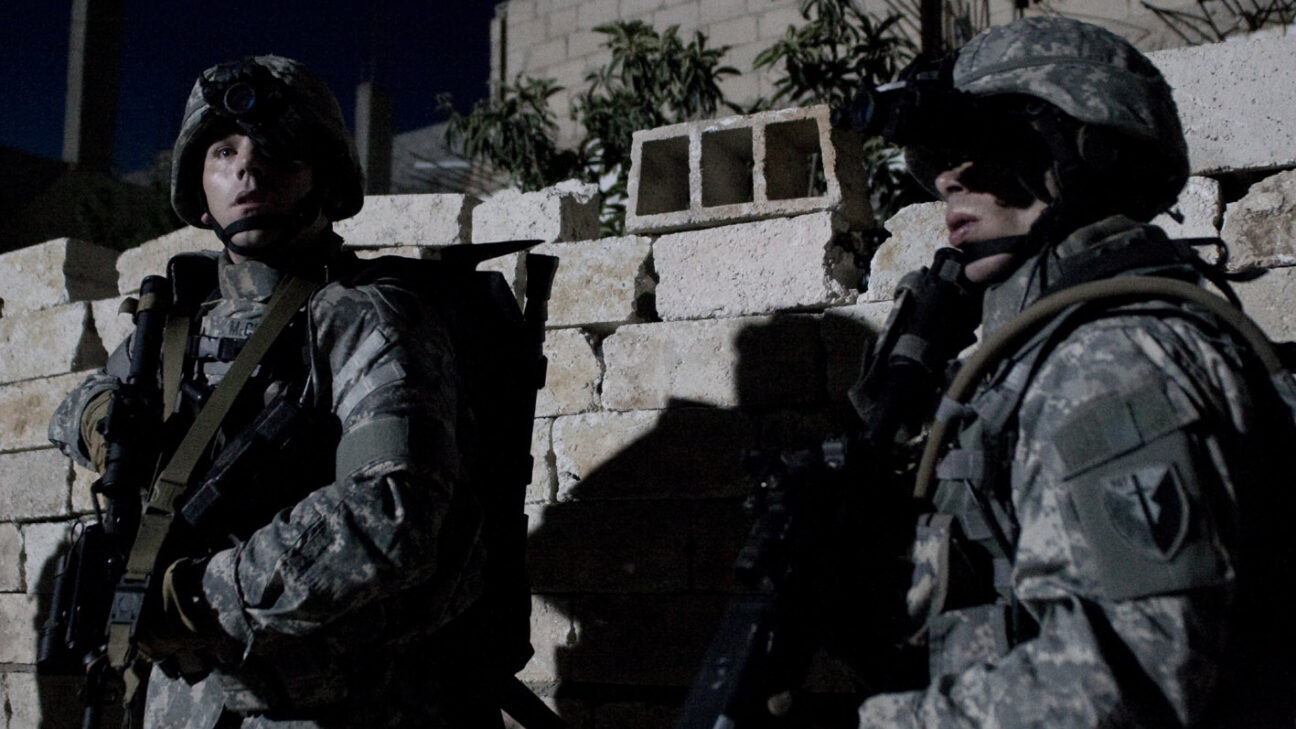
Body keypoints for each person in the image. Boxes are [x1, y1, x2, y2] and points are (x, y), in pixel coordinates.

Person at [843, 16, 1293, 728]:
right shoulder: (1042, 355)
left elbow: (1126, 680)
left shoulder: (1110, 361)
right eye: (938, 158)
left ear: (1086, 151)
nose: (948, 179)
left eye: (978, 146)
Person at [49, 55, 503, 728]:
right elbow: (73, 409)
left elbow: (392, 510)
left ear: (324, 175)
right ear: (197, 183)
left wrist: (194, 598)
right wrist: (104, 423)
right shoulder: (177, 323)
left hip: (337, 707)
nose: (248, 170)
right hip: (186, 704)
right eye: (224, 151)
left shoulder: (363, 315)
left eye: (278, 151)